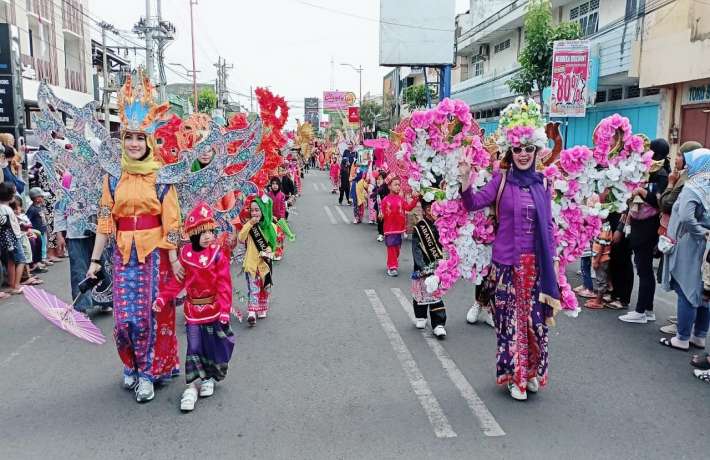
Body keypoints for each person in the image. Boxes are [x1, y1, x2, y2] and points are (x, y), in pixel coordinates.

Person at [86, 75, 182, 403]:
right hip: (122, 254)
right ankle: (130, 363)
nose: (134, 144)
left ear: (149, 141)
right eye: (129, 138)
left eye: (140, 139)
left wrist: (174, 258)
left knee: (149, 316)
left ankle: (148, 373)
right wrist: (95, 261)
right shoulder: (114, 178)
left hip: (154, 255)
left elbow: (172, 221)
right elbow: (104, 219)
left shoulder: (162, 176)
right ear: (123, 140)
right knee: (124, 319)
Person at [459, 99, 559, 401]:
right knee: (510, 324)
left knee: (535, 323)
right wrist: (465, 181)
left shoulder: (542, 184)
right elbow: (474, 204)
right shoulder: (501, 181)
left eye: (529, 148)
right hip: (506, 266)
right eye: (518, 149)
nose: (524, 154)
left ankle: (531, 373)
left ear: (537, 150)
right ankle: (515, 377)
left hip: (537, 268)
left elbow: (550, 226)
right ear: (510, 150)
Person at [154, 202, 235, 412]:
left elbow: (224, 284)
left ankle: (208, 377)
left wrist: (225, 309)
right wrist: (163, 297)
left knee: (213, 345)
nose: (208, 236)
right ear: (193, 234)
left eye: (211, 231)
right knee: (194, 347)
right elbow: (177, 281)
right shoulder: (186, 256)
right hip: (193, 313)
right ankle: (190, 387)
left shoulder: (217, 254)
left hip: (214, 310)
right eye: (203, 232)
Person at [659, 148, 710, 351]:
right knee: (704, 292)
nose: (686, 164)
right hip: (705, 246)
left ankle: (681, 337)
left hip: (691, 244)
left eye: (689, 160)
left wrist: (699, 233)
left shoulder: (694, 186)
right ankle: (699, 336)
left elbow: (687, 216)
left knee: (686, 290)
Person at [619, 138, 669, 324]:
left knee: (644, 270)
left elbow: (660, 202)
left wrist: (642, 192)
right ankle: (647, 309)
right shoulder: (648, 171)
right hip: (641, 225)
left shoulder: (662, 174)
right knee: (644, 269)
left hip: (648, 227)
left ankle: (640, 311)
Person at [411, 199, 447, 338]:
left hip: (437, 266)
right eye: (431, 209)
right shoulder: (419, 228)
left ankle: (438, 323)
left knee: (435, 294)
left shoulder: (442, 224)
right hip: (422, 267)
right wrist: (423, 267)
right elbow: (416, 250)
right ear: (426, 211)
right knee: (420, 292)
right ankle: (421, 316)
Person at [238, 196, 275, 327]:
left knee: (265, 287)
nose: (254, 213)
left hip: (264, 264)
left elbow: (273, 243)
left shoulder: (269, 226)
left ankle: (261, 307)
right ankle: (252, 312)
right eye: (252, 210)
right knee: (253, 289)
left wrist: (269, 250)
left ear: (263, 211)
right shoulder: (249, 226)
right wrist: (250, 224)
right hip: (251, 263)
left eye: (257, 210)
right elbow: (241, 238)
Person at [380, 176, 418, 276]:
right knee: (391, 247)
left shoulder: (401, 199)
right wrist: (380, 215)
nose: (398, 187)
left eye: (399, 185)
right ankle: (392, 267)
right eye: (395, 185)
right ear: (389, 186)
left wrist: (416, 199)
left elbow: (408, 208)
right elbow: (382, 212)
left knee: (397, 248)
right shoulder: (385, 200)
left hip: (399, 229)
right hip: (389, 229)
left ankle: (392, 263)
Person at [0, 183, 26, 295]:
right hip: (13, 238)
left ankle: (12, 284)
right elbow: (11, 226)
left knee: (11, 261)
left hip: (5, 240)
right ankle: (16, 285)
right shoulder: (7, 210)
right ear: (10, 196)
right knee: (21, 260)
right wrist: (19, 235)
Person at [585, 219, 613, 310]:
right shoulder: (601, 225)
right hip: (598, 257)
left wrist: (597, 260)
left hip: (601, 258)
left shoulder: (605, 227)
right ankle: (598, 298)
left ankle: (599, 301)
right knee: (600, 278)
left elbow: (602, 245)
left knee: (601, 280)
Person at [372, 171, 388, 242]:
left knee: (386, 220)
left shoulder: (385, 187)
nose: (378, 180)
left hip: (386, 207)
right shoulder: (377, 187)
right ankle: (381, 234)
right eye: (377, 179)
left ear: (384, 179)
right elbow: (374, 192)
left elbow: (381, 191)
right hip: (379, 206)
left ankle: (386, 233)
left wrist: (377, 192)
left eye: (380, 179)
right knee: (380, 220)